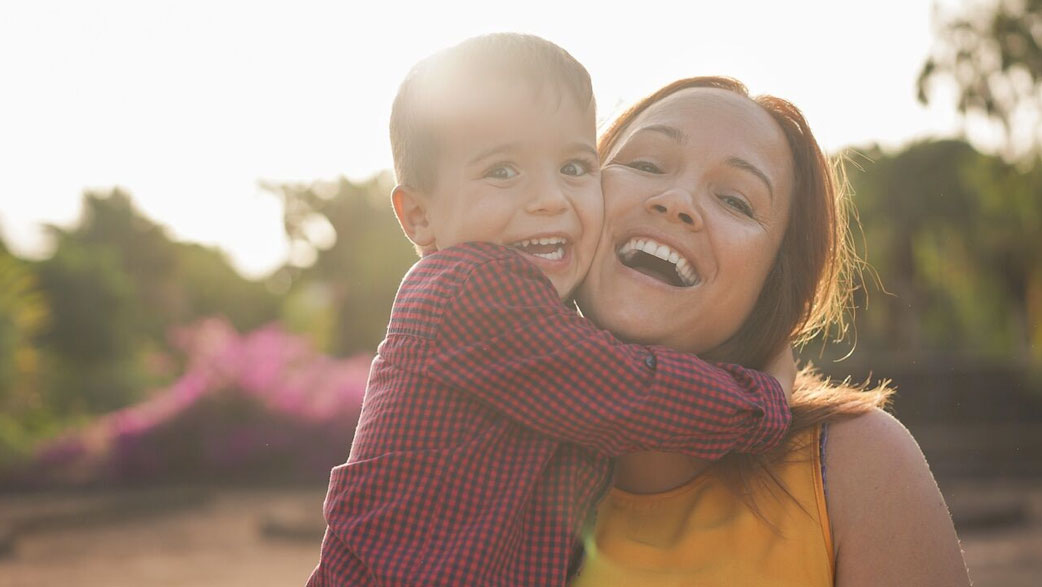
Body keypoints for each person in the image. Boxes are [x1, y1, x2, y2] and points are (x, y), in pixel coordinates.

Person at [307, 36, 795, 586]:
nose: (551, 199)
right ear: (419, 215)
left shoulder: (545, 325)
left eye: (574, 166)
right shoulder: (472, 289)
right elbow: (623, 393)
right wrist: (762, 400)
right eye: (503, 172)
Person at [568, 77, 971, 586]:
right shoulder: (473, 431)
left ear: (775, 282)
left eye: (736, 201)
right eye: (646, 164)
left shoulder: (854, 469)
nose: (676, 201)